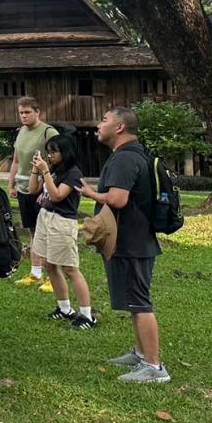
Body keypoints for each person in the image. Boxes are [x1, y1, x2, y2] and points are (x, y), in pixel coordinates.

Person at [78, 107, 170, 384]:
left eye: (104, 120)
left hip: (131, 242)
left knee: (140, 303)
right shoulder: (133, 154)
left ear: (119, 127)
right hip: (135, 240)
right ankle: (141, 354)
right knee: (134, 300)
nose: (98, 124)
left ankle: (154, 367)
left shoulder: (125, 158)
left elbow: (118, 199)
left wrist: (90, 193)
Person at [28, 134, 95, 329]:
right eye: (48, 151)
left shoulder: (73, 173)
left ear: (65, 152)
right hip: (45, 218)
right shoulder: (55, 170)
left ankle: (87, 315)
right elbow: (33, 190)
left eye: (54, 151)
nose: (50, 155)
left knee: (70, 269)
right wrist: (36, 170)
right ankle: (64, 308)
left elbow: (57, 196)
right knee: (49, 264)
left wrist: (45, 171)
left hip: (62, 222)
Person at [9, 97, 59, 289]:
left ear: (37, 112)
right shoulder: (20, 131)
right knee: (32, 230)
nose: (23, 116)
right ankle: (35, 272)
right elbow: (16, 161)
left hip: (42, 189)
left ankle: (52, 277)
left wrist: (45, 189)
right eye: (21, 112)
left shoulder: (49, 132)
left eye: (27, 112)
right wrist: (11, 184)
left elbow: (57, 163)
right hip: (24, 188)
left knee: (47, 232)